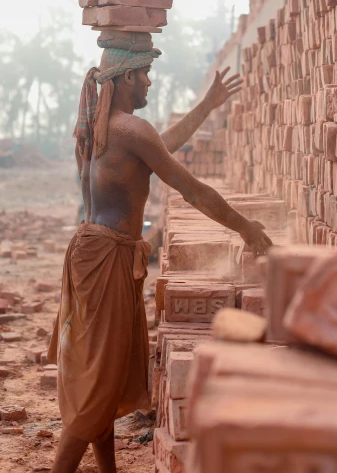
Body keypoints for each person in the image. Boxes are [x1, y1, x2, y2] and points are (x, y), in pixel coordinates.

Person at [49, 36, 272, 473]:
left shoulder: (108, 127)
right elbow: (189, 188)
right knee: (97, 385)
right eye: (146, 73)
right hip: (106, 262)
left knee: (104, 374)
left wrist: (207, 106)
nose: (150, 83)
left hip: (93, 255)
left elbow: (161, 146)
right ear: (129, 75)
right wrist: (246, 228)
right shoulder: (131, 130)